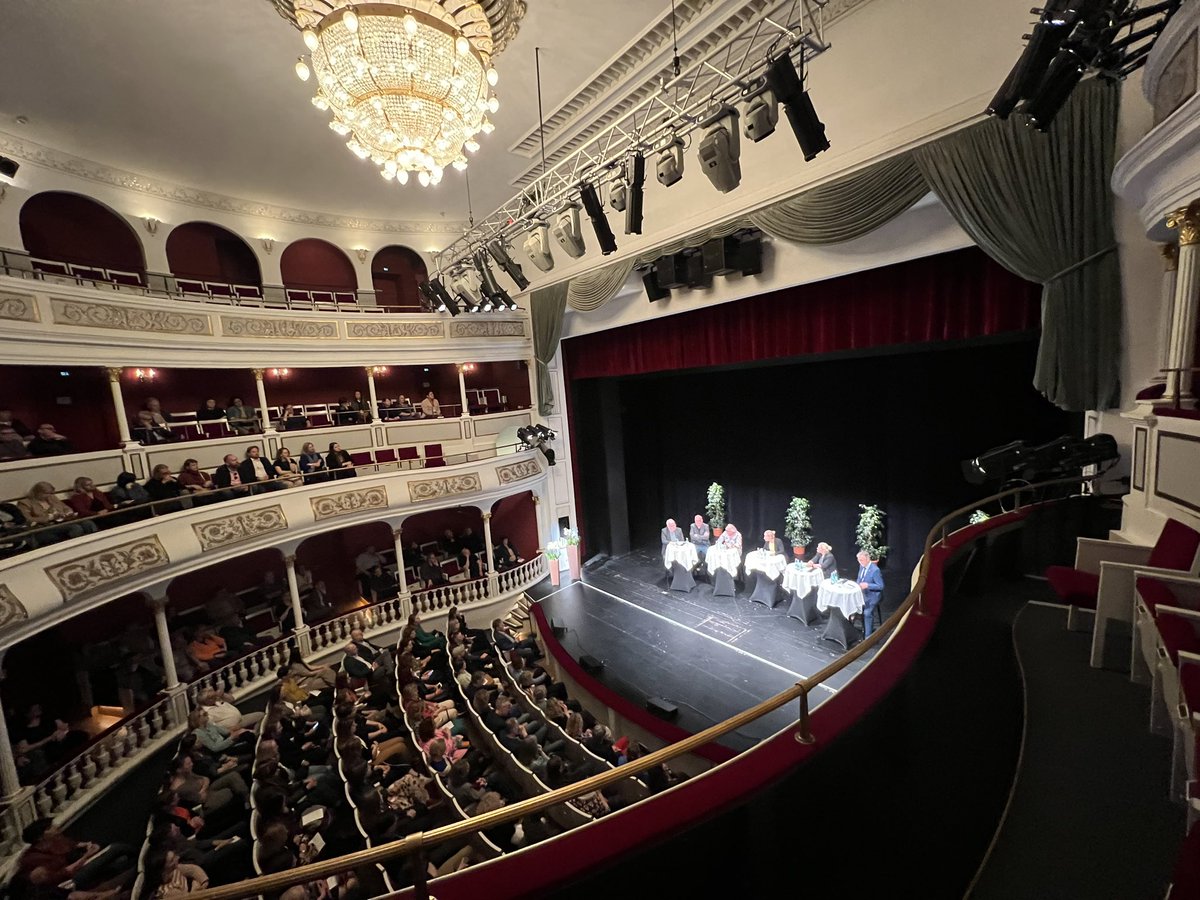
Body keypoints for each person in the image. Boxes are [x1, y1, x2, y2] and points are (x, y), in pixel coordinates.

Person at [19, 482, 98, 541]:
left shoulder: (52, 498)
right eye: (47, 493)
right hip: (46, 527)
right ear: (38, 493)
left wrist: (68, 512)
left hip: (63, 521)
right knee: (75, 528)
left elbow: (65, 507)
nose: (50, 495)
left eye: (51, 493)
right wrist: (50, 517)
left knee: (87, 523)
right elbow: (27, 520)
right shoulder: (25, 503)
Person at [856, 550, 885, 637]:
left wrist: (867, 585)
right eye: (859, 560)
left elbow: (880, 586)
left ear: (868, 559)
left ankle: (868, 636)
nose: (860, 562)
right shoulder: (861, 566)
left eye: (862, 560)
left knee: (867, 613)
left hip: (873, 595)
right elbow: (859, 578)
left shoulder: (875, 570)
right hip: (863, 593)